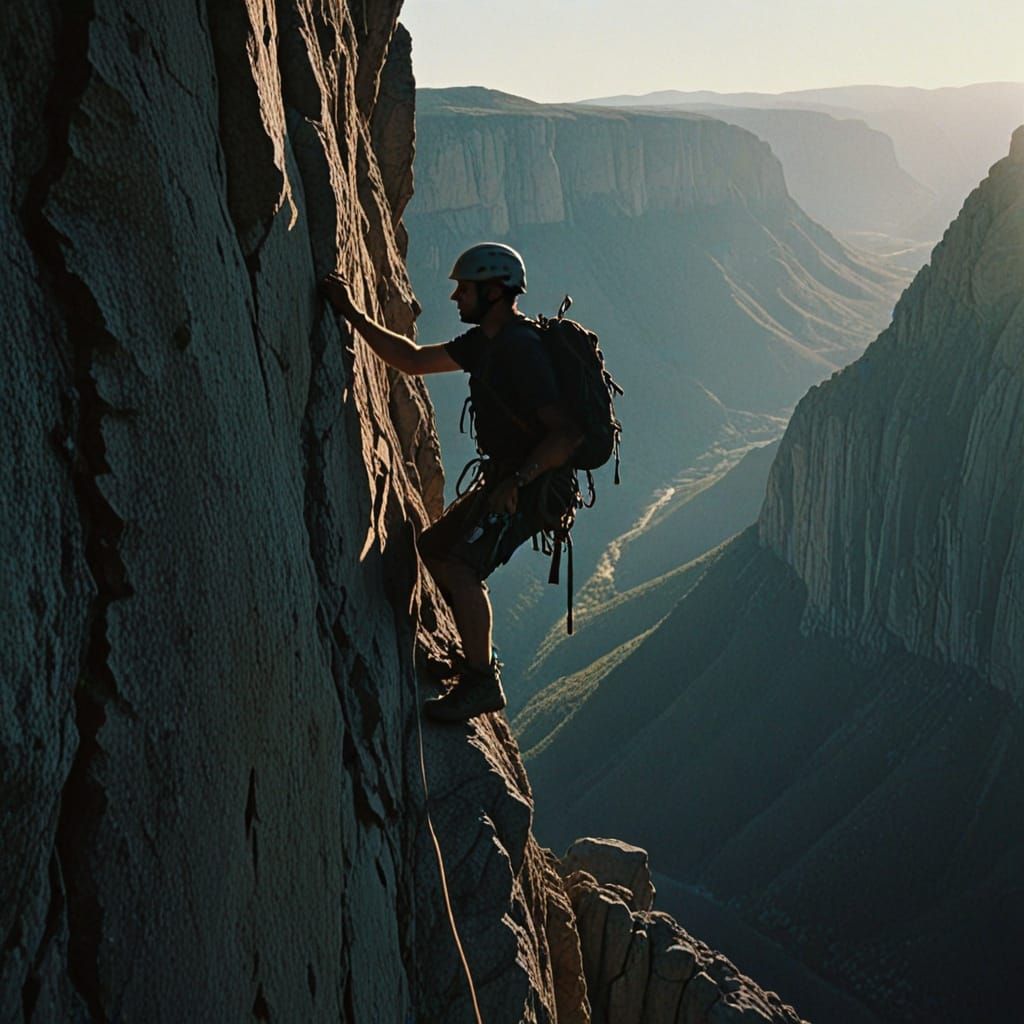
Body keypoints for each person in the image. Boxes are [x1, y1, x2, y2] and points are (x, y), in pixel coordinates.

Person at [321, 243, 582, 721]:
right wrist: (353, 315)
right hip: (510, 477)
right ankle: (473, 659)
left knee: (459, 564)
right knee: (437, 547)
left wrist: (519, 482)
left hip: (533, 484)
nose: (455, 297)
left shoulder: (521, 350)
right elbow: (415, 359)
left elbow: (565, 433)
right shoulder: (486, 342)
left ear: (495, 292)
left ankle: (482, 682)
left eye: (465, 288)